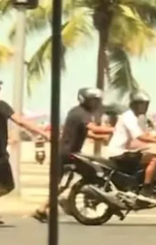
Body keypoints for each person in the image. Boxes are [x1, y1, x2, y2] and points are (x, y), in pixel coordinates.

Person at [0, 78, 50, 227]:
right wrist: (41, 132)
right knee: (7, 186)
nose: (0, 90)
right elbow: (20, 121)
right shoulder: (0, 105)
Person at [31, 88, 114, 222]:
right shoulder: (81, 113)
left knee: (62, 184)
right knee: (91, 174)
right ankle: (67, 202)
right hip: (67, 153)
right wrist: (115, 129)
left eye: (97, 101)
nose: (96, 104)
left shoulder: (77, 112)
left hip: (65, 152)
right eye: (93, 101)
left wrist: (103, 136)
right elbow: (94, 128)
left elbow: (89, 133)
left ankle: (45, 208)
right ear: (85, 100)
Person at [106, 90, 156, 202]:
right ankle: (146, 188)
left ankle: (143, 182)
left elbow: (144, 134)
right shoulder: (128, 117)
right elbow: (140, 137)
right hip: (119, 152)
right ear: (134, 104)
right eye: (142, 104)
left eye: (146, 104)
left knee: (151, 151)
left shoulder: (133, 117)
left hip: (124, 150)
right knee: (154, 157)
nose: (145, 107)